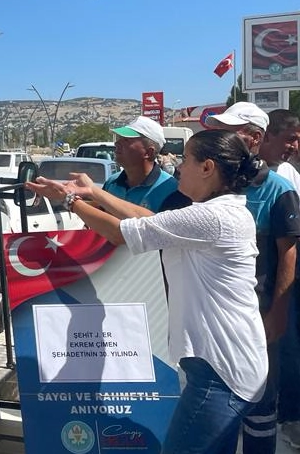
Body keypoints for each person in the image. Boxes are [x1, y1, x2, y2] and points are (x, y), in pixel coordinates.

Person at [28, 129, 268, 454]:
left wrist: (70, 201)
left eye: (186, 160)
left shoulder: (213, 217)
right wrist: (94, 192)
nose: (179, 168)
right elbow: (149, 219)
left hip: (220, 372)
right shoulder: (221, 212)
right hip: (226, 365)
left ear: (207, 167)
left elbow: (121, 233)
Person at [205, 102, 300, 454]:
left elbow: (288, 253)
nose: (221, 138)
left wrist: (278, 313)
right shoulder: (213, 182)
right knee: (219, 402)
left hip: (260, 316)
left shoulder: (277, 188)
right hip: (217, 317)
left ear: (255, 138)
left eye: (230, 132)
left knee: (261, 400)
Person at [256, 108, 300, 448]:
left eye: (296, 140)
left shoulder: (283, 177)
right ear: (267, 136)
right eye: (289, 139)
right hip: (260, 287)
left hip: (280, 284)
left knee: (286, 349)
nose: (294, 146)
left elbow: (289, 244)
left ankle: (288, 416)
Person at [101, 116, 190, 217]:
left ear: (148, 152)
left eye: (126, 140)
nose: (117, 143)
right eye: (119, 138)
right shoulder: (112, 182)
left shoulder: (172, 190)